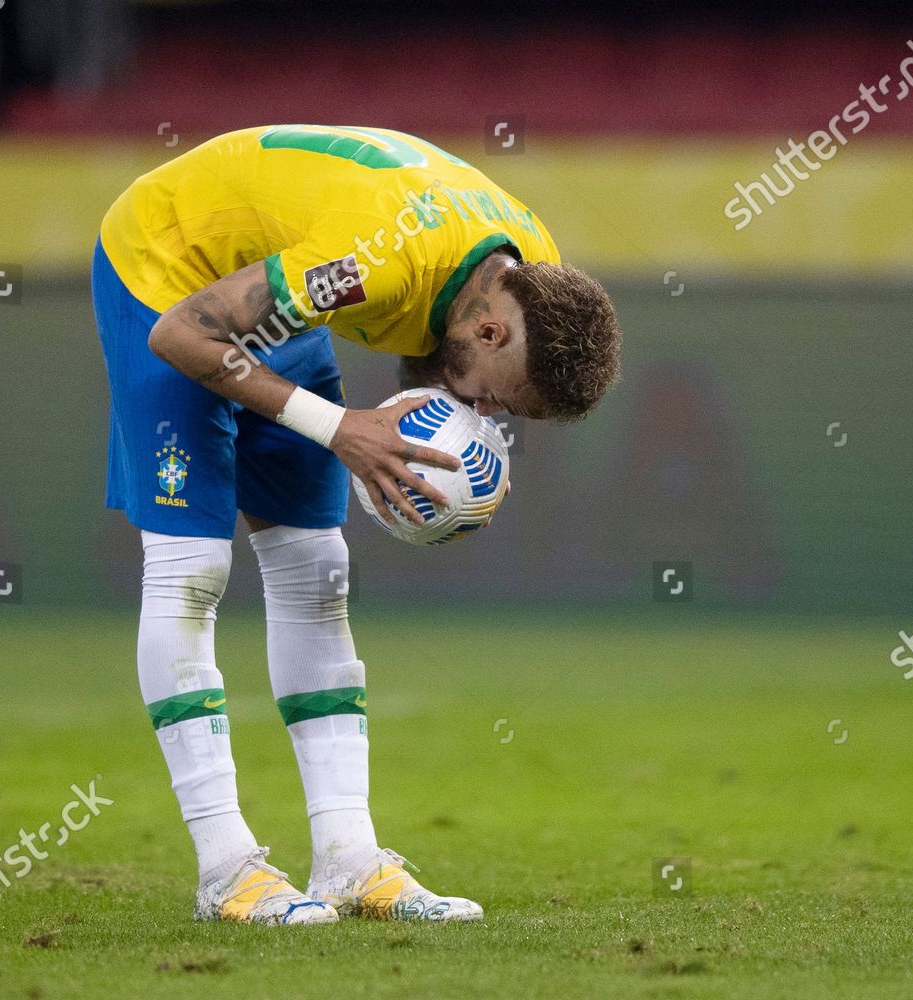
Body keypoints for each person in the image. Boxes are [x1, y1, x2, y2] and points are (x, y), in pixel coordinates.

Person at [91, 125, 620, 924]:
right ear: (491, 332)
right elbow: (183, 334)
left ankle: (347, 858)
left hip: (282, 282)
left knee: (318, 571)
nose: (483, 415)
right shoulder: (377, 260)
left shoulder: (527, 268)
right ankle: (225, 870)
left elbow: (399, 329)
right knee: (191, 569)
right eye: (498, 400)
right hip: (168, 272)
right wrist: (339, 427)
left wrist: (395, 441)